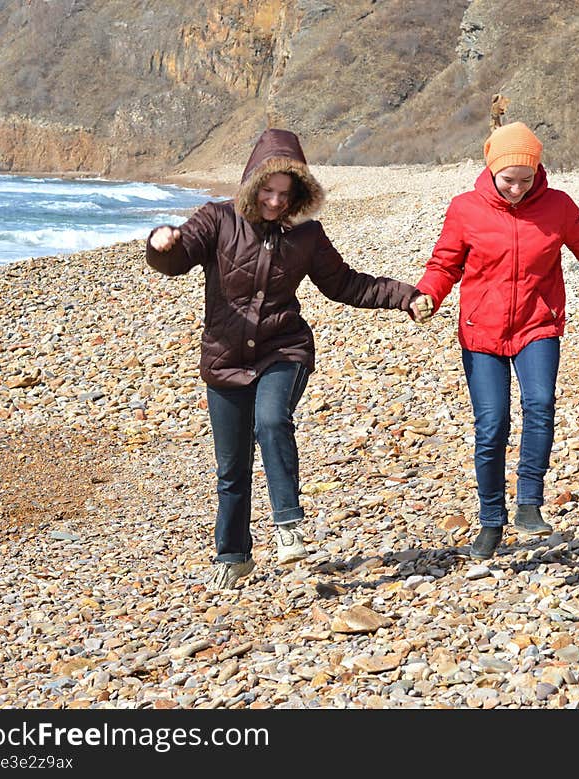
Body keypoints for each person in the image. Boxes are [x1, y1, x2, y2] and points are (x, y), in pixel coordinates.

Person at [146, 128, 423, 590]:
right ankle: (233, 556)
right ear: (253, 185)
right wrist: (163, 243)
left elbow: (346, 285)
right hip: (225, 359)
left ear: (298, 194)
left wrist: (405, 296)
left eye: (285, 194)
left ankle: (288, 525)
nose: (275, 202)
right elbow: (179, 258)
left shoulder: (307, 236)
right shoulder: (217, 220)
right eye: (268, 191)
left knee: (272, 420)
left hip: (284, 350)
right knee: (231, 467)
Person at [409, 121, 579, 561]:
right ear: (490, 169)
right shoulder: (465, 209)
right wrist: (427, 296)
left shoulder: (557, 207)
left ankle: (529, 504)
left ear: (538, 172)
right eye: (508, 180)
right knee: (492, 424)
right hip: (482, 331)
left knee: (539, 404)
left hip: (538, 325)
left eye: (526, 179)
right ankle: (490, 521)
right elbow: (444, 265)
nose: (516, 189)